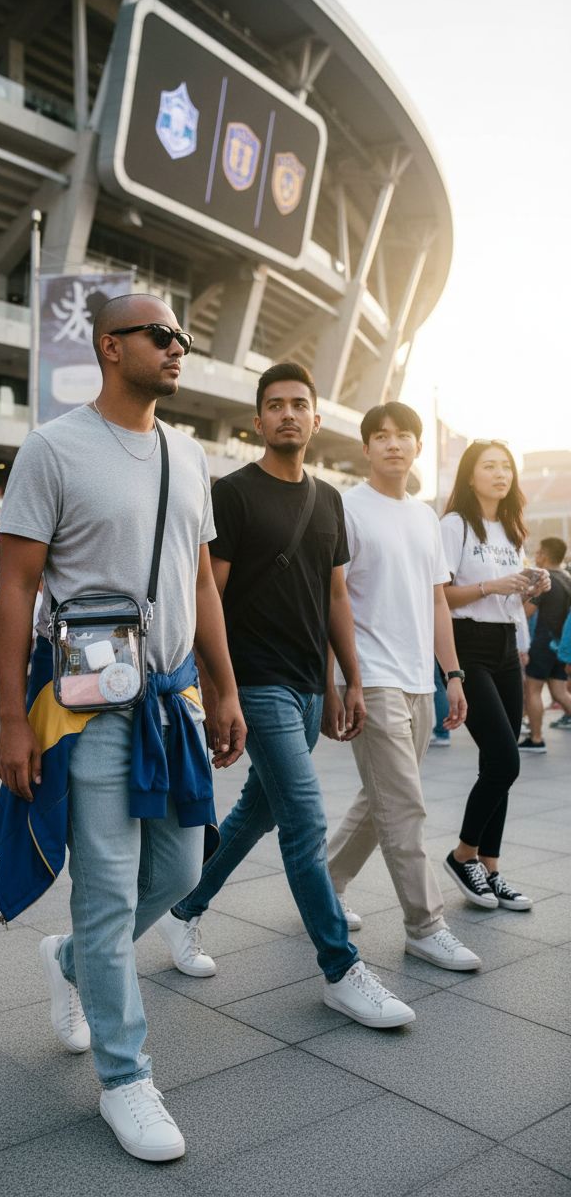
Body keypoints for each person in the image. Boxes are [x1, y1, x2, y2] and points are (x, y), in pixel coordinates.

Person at [0, 294, 246, 1162]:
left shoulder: (187, 451)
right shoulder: (54, 448)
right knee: (106, 886)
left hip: (168, 698)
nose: (178, 348)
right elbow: (17, 590)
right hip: (85, 703)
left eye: (182, 337)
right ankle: (125, 1078)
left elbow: (202, 584)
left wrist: (223, 689)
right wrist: (10, 724)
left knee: (177, 867)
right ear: (111, 346)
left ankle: (71, 962)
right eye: (161, 336)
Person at [157, 364, 417, 1027]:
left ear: (316, 419)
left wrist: (347, 680)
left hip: (307, 685)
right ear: (258, 421)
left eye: (299, 404)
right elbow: (204, 593)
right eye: (274, 406)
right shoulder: (234, 495)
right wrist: (219, 691)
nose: (288, 415)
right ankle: (340, 966)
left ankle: (183, 909)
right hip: (256, 682)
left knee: (257, 813)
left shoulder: (328, 501)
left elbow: (335, 597)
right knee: (304, 819)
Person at [325, 403, 480, 972]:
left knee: (380, 800)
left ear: (417, 448)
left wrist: (453, 674)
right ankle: (425, 925)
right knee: (405, 805)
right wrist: (338, 681)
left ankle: (323, 886)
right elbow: (331, 598)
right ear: (366, 448)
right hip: (372, 677)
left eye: (404, 436)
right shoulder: (346, 508)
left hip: (419, 679)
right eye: (382, 437)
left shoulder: (425, 517)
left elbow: (437, 599)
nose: (394, 445)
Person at [440, 440, 546, 912]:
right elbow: (440, 596)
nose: (500, 474)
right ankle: (463, 856)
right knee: (506, 761)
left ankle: (491, 866)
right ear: (470, 475)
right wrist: (492, 585)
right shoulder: (454, 526)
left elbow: (510, 600)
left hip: (505, 647)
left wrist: (531, 587)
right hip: (469, 646)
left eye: (506, 466)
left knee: (495, 767)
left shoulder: (511, 528)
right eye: (490, 466)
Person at [520, 537, 571, 752]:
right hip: (560, 645)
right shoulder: (568, 578)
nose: (537, 555)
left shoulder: (544, 580)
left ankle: (537, 738)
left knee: (533, 690)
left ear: (546, 555)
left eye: (539, 552)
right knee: (559, 692)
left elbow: (525, 614)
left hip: (542, 643)